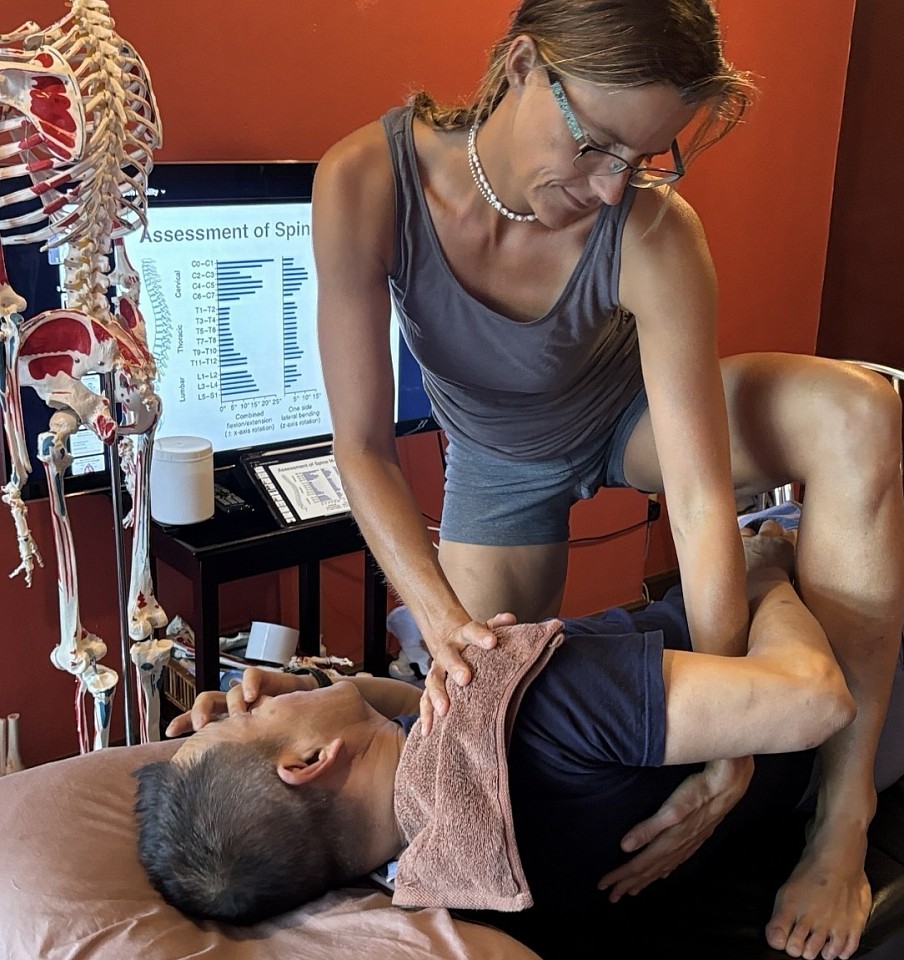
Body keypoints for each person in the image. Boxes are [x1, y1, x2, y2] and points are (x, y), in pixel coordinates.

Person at [312, 0, 904, 945]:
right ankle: (770, 572)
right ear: (520, 65)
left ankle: (844, 814)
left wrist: (736, 746)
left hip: (632, 422)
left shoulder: (654, 231)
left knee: (861, 411)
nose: (613, 184)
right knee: (467, 732)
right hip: (499, 463)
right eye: (594, 145)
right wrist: (443, 621)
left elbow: (699, 499)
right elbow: (363, 448)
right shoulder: (366, 181)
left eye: (646, 156)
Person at [137, 524, 901, 959]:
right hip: (864, 675)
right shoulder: (528, 704)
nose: (244, 698)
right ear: (308, 763)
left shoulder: (430, 863)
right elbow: (815, 698)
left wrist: (309, 694)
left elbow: (409, 723)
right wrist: (764, 572)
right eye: (242, 720)